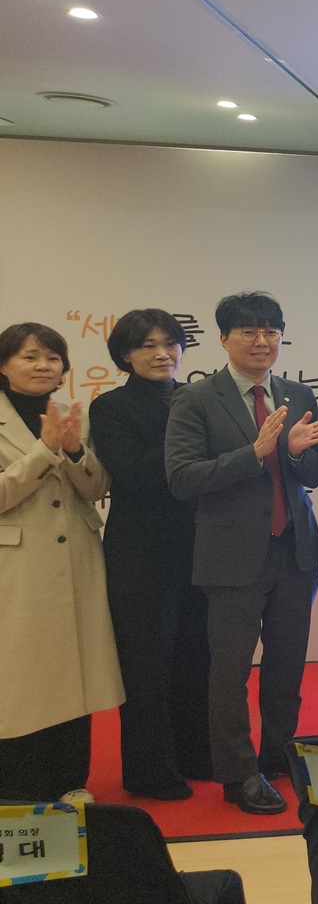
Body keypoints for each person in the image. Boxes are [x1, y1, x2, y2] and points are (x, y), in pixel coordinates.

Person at [166, 292, 318, 815]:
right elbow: (182, 478)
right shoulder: (196, 399)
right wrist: (255, 453)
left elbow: (314, 472)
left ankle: (280, 757)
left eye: (270, 331)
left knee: (287, 669)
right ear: (223, 339)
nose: (262, 341)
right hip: (232, 557)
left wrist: (298, 454)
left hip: (295, 551)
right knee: (230, 674)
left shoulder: (297, 393)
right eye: (248, 332)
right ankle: (238, 774)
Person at [91, 309, 211, 799]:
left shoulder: (197, 398)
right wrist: (183, 426)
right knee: (145, 664)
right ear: (125, 355)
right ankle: (149, 770)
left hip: (199, 546)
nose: (163, 354)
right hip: (139, 553)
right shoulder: (110, 407)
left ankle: (196, 754)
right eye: (148, 346)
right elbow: (135, 473)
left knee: (195, 655)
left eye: (170, 343)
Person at [0, 323, 121, 804]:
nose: (43, 366)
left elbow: (97, 488)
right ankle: (17, 787)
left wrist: (72, 449)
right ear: (4, 364)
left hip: (77, 560)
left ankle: (71, 781)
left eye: (52, 357)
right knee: (21, 676)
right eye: (30, 356)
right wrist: (44, 449)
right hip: (18, 565)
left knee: (76, 674)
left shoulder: (76, 413)